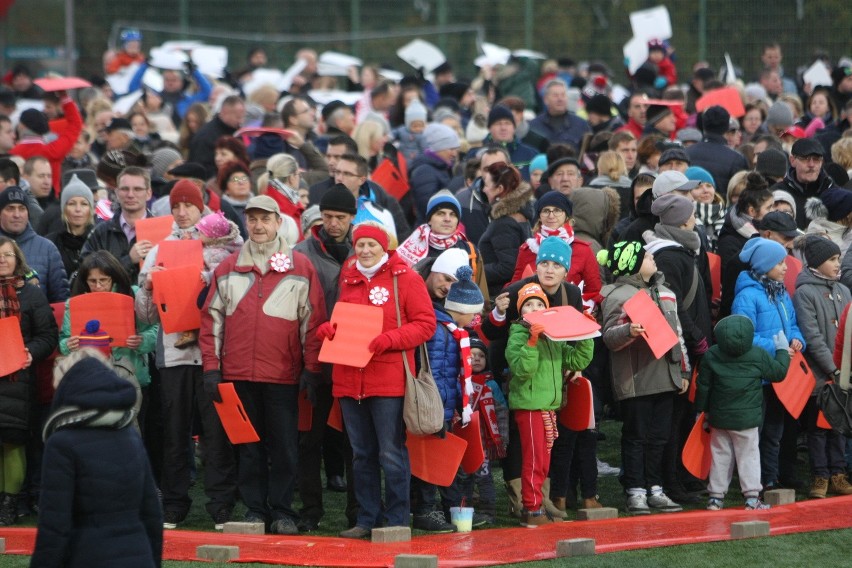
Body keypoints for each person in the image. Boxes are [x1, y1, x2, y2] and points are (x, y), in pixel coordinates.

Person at [201, 194, 326, 535]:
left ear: (277, 222)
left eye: (264, 219)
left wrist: (312, 370)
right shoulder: (227, 269)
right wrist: (211, 370)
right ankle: (256, 510)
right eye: (252, 219)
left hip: (283, 377)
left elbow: (313, 324)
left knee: (285, 449)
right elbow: (211, 324)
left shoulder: (301, 267)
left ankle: (283, 511)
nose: (257, 225)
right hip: (238, 375)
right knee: (248, 448)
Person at [320, 223, 435, 538]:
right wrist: (327, 332)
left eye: (372, 244)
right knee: (361, 454)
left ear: (384, 246)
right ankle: (367, 519)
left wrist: (390, 339)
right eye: (360, 245)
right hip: (349, 378)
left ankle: (397, 519)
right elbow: (335, 320)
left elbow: (426, 324)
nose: (366, 250)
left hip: (388, 380)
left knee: (390, 452)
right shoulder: (345, 279)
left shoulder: (406, 278)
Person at [136, 181, 237, 531]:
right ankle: (175, 503)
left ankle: (221, 504)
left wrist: (205, 278)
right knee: (174, 433)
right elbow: (147, 316)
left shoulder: (223, 244)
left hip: (211, 354)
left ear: (201, 208)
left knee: (216, 432)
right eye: (176, 206)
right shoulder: (159, 249)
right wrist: (149, 287)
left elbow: (231, 297)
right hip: (173, 355)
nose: (181, 212)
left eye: (188, 206)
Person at [29, 351, 162, 566]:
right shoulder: (129, 436)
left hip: (87, 556)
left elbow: (54, 526)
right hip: (139, 556)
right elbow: (152, 514)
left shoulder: (61, 443)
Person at [600, 240, 687, 515]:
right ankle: (635, 491)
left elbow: (678, 336)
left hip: (667, 375)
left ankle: (656, 489)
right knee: (636, 435)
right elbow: (609, 338)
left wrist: (682, 369)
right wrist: (629, 331)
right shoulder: (617, 294)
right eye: (647, 256)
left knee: (660, 436)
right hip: (636, 378)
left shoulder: (666, 292)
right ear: (632, 262)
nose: (653, 258)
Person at [292, 185, 356, 531]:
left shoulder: (366, 249)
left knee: (355, 441)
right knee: (308, 439)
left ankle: (358, 513)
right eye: (328, 216)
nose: (333, 223)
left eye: (340, 217)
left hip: (354, 359)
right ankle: (310, 511)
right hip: (312, 359)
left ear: (352, 218)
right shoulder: (301, 252)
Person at [506, 277, 594, 527]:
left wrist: (586, 334)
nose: (533, 310)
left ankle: (538, 503)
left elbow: (577, 361)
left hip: (548, 407)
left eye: (538, 305)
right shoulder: (517, 335)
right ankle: (531, 510)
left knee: (544, 462)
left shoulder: (554, 336)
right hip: (530, 407)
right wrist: (532, 343)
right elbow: (523, 369)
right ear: (520, 311)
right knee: (534, 461)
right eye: (528, 306)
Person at [412, 265, 486, 532]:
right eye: (474, 314)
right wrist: (449, 406)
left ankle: (452, 509)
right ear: (463, 310)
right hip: (433, 407)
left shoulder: (449, 329)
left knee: (446, 461)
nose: (475, 320)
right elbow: (438, 373)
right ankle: (424, 511)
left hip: (442, 406)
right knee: (430, 462)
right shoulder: (440, 331)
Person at [732, 238, 806, 491]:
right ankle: (757, 481)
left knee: (776, 431)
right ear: (764, 265)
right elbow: (743, 335)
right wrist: (777, 346)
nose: (786, 267)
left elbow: (793, 325)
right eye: (779, 262)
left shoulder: (781, 292)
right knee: (759, 431)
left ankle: (772, 477)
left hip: (781, 374)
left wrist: (797, 340)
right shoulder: (747, 296)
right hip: (759, 375)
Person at [695, 315, 790, 511]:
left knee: (720, 456)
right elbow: (778, 373)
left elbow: (703, 386)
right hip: (747, 420)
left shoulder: (711, 355)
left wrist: (702, 411)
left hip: (719, 418)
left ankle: (715, 497)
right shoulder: (758, 354)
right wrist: (781, 350)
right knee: (749, 456)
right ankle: (752, 498)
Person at [58, 250, 158, 424]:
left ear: (114, 277)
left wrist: (141, 340)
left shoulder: (133, 295)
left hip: (131, 374)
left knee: (135, 429)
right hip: (92, 379)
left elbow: (155, 329)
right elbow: (64, 340)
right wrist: (69, 344)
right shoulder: (74, 303)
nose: (98, 286)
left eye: (103, 280)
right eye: (92, 281)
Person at [0, 236, 58, 526]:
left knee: (12, 442)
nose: (2, 260)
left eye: (8, 255)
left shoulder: (33, 295)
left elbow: (48, 337)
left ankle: (9, 505)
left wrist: (28, 352)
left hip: (18, 381)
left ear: (18, 259)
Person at [792, 236, 852, 499]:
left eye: (838, 258)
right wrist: (833, 369)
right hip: (820, 376)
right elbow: (812, 336)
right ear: (816, 263)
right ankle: (820, 475)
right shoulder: (805, 292)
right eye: (832, 259)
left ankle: (838, 474)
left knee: (840, 425)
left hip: (843, 374)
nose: (838, 264)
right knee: (817, 428)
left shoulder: (844, 291)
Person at [511, 190, 600, 309]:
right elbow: (515, 286)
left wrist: (580, 308)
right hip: (532, 315)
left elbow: (594, 290)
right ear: (539, 216)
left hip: (567, 315)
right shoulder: (528, 249)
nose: (551, 215)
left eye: (557, 210)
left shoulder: (582, 250)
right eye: (546, 211)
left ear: (566, 215)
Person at [397, 189, 488, 301]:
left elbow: (481, 292)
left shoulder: (469, 250)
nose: (447, 219)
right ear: (429, 219)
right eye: (441, 214)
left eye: (453, 215)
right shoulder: (412, 247)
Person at [0, 185, 69, 302]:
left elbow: (60, 300)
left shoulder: (48, 249)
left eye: (22, 208)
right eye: (10, 208)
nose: (17, 215)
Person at [478, 162, 533, 297]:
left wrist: (476, 270)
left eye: (486, 184)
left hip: (499, 296)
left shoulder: (504, 223)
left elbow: (508, 267)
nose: (484, 189)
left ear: (499, 189)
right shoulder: (520, 215)